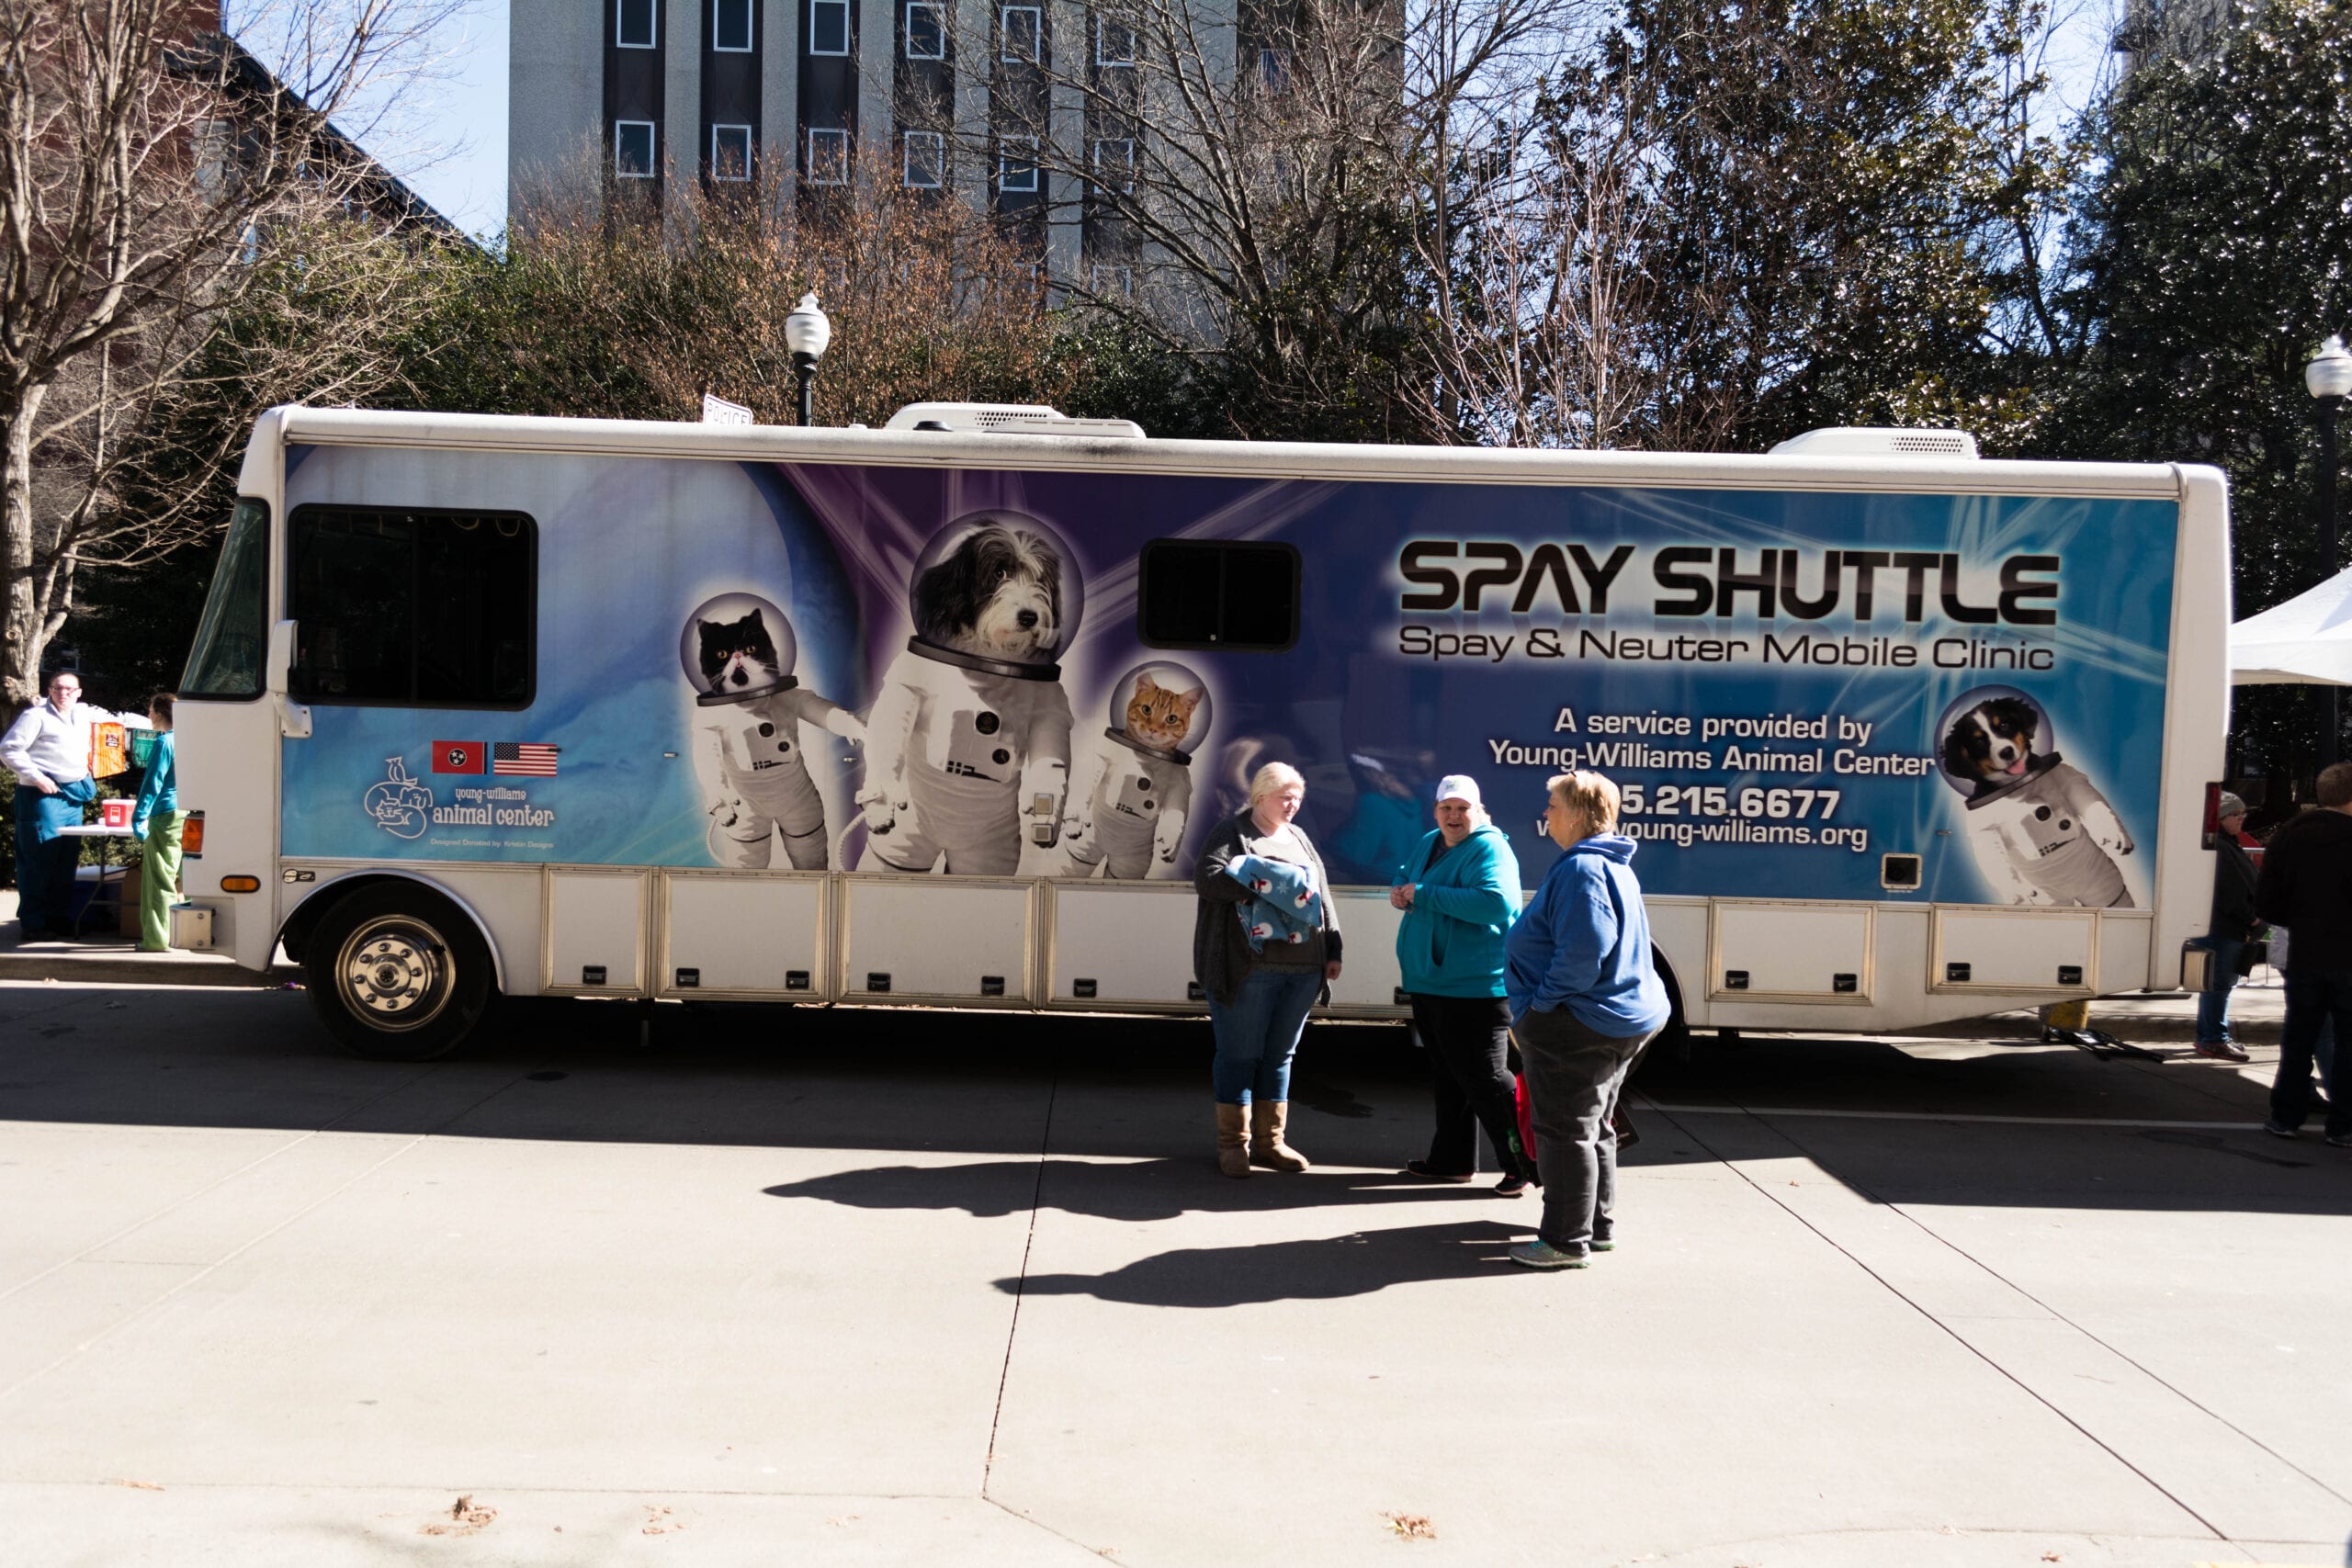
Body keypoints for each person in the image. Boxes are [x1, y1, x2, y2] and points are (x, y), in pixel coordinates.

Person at [1500, 770, 1670, 1268]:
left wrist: (1541, 1005)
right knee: (1594, 1125)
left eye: (1553, 806)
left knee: (1564, 1130)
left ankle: (1564, 1241)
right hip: (1617, 1016)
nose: (1545, 814)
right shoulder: (1609, 863)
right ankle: (1596, 1228)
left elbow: (1584, 950)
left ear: (1576, 815)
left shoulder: (1582, 869)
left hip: (1577, 1021)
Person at [1192, 761, 1345, 1179]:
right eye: (1285, 797)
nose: (1293, 805)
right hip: (1248, 968)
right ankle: (1233, 1145)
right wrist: (1267, 886)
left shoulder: (1299, 837)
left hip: (1304, 969)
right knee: (1239, 1056)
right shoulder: (1232, 833)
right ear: (1261, 796)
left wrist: (1333, 948)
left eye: (1297, 798)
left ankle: (1271, 1142)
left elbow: (1321, 893)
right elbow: (1207, 880)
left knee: (1279, 1057)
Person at [1390, 774, 1533, 1194]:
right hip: (1430, 980)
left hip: (1474, 987)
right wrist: (1400, 892)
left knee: (1487, 1077)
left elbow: (1497, 903)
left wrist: (1423, 894)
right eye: (1446, 808)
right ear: (1435, 810)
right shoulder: (1430, 841)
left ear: (1479, 810)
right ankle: (1450, 1161)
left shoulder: (1490, 847)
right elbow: (1407, 876)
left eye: (1462, 808)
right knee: (1450, 1076)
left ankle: (1524, 1164)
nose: (1454, 816)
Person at [2253, 762, 2352, 1145]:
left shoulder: (2289, 835)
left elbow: (2268, 902)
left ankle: (2285, 1116)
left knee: (2299, 1037)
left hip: (2305, 952)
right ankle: (2343, 1125)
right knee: (2347, 1043)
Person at [4, 673, 144, 942]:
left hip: (73, 795)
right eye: (58, 688)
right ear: (50, 690)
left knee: (66, 860)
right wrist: (37, 777)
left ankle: (58, 919)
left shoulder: (83, 713)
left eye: (69, 689)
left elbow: (120, 719)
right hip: (42, 795)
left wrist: (164, 723)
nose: (63, 693)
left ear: (79, 692)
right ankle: (34, 924)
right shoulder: (35, 716)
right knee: (38, 860)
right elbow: (9, 749)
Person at [2190, 792, 2259, 1062]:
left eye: (2243, 814)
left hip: (2225, 927)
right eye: (2234, 814)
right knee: (2218, 985)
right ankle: (2213, 1039)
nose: (2241, 818)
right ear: (2220, 818)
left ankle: (2211, 1036)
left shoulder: (2226, 844)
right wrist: (2251, 918)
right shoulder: (2220, 847)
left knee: (2217, 985)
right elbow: (2228, 892)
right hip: (2223, 928)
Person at [130, 694, 184, 953]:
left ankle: (157, 939)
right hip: (188, 812)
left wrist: (139, 817)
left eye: (151, 711)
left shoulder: (164, 742)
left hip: (165, 814)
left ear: (160, 714)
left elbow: (153, 783)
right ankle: (187, 934)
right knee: (186, 877)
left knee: (160, 879)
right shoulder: (192, 739)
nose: (149, 715)